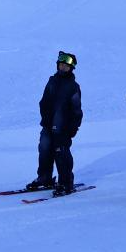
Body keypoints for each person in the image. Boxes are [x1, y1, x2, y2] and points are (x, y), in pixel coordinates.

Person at [26, 51, 83, 195]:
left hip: (63, 128)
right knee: (44, 148)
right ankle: (44, 178)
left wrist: (73, 128)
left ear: (71, 68)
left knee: (61, 152)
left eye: (66, 66)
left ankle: (66, 183)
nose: (63, 68)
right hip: (48, 125)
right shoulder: (52, 81)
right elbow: (43, 102)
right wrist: (45, 119)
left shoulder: (73, 86)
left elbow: (76, 110)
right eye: (61, 65)